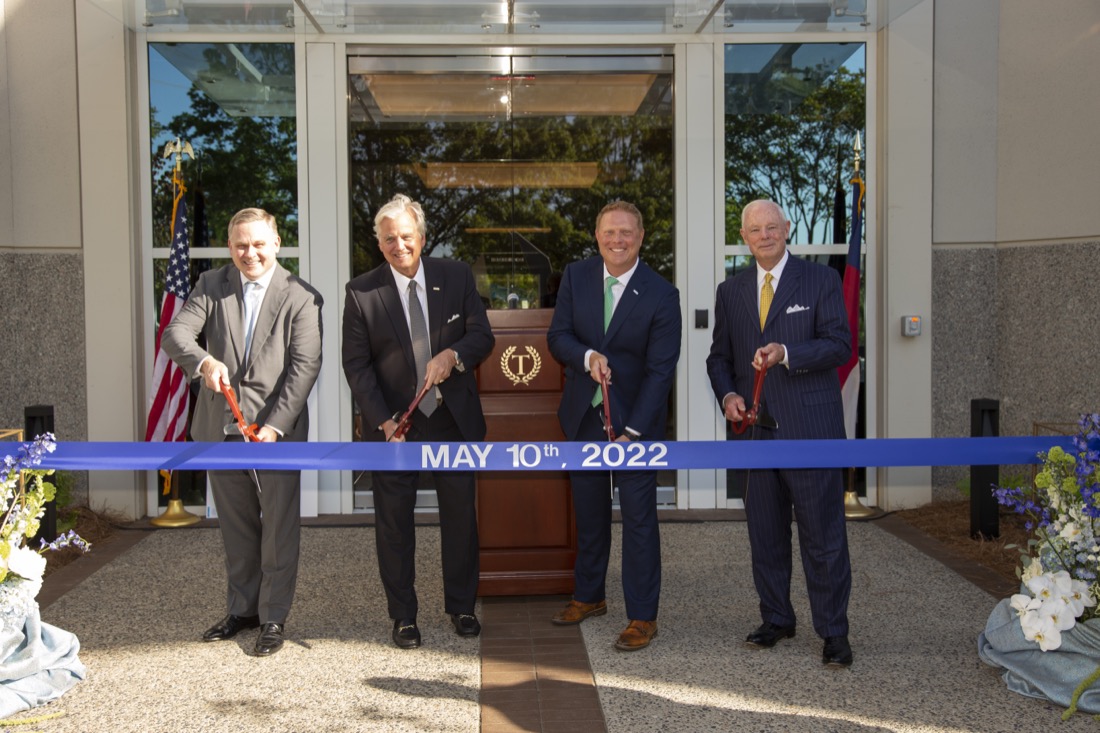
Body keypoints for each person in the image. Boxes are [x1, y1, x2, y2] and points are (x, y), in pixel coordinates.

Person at [162, 207, 323, 657]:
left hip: (276, 432)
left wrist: (275, 426)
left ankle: (272, 617)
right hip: (219, 427)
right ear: (230, 248)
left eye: (257, 244)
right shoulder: (211, 285)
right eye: (239, 245)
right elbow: (176, 335)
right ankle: (243, 609)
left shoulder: (302, 296)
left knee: (277, 527)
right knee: (235, 525)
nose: (248, 253)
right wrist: (203, 361)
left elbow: (305, 366)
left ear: (276, 244)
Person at [342, 193, 494, 649]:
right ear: (380, 243)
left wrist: (453, 355)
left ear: (421, 238)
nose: (398, 245)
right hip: (395, 427)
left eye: (406, 236)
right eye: (389, 239)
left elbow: (481, 336)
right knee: (393, 523)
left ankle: (462, 607)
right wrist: (384, 421)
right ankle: (403, 616)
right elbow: (357, 366)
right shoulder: (361, 292)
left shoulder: (456, 275)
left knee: (461, 519)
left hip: (452, 420)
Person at [706, 199, 854, 667]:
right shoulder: (730, 291)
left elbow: (840, 344)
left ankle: (833, 632)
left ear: (786, 229)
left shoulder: (820, 280)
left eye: (772, 227)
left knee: (822, 538)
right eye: (755, 229)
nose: (764, 235)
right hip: (754, 435)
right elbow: (718, 358)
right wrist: (728, 395)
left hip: (811, 430)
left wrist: (787, 351)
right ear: (744, 236)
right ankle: (776, 618)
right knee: (764, 535)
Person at [546, 200, 681, 651]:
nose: (617, 240)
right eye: (609, 232)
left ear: (641, 238)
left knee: (639, 519)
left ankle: (642, 615)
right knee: (588, 511)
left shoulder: (662, 294)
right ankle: (589, 596)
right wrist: (586, 357)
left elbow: (662, 371)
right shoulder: (576, 276)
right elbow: (558, 336)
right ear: (597, 235)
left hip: (635, 424)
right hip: (584, 417)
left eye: (626, 232)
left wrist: (634, 432)